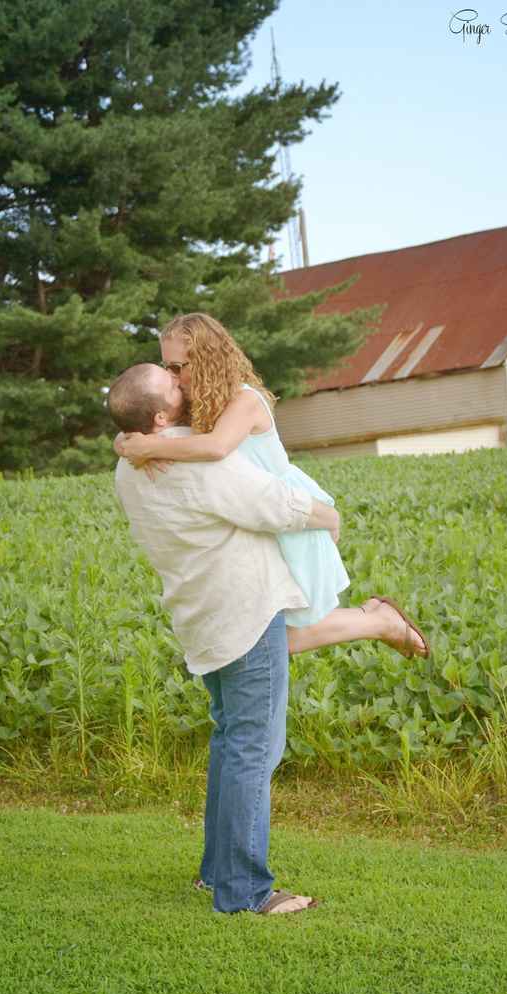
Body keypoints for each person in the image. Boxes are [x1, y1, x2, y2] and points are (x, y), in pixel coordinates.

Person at [107, 363, 424, 917]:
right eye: (174, 384)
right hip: (246, 613)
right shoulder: (196, 462)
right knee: (254, 750)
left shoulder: (130, 467)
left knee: (232, 744)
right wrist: (329, 517)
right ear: (161, 415)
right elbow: (273, 505)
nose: (185, 383)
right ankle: (246, 892)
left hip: (202, 617)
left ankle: (217, 873)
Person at [115, 312, 430, 660]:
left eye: (177, 367)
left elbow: (216, 447)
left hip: (290, 509)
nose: (172, 377)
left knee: (275, 633)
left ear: (205, 360)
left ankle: (381, 621)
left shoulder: (243, 400)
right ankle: (378, 620)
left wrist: (151, 447)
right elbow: (143, 413)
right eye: (167, 368)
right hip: (261, 512)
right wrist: (124, 441)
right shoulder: (197, 402)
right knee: (271, 631)